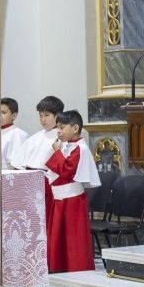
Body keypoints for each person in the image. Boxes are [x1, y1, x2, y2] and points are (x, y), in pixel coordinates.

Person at [41, 111, 100, 273]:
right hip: (59, 198)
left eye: (62, 127)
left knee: (73, 238)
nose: (58, 131)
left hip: (72, 200)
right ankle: (59, 268)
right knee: (59, 237)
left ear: (75, 128)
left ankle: (77, 269)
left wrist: (57, 153)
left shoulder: (81, 148)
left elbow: (68, 171)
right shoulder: (66, 146)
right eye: (57, 128)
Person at [18, 95, 65, 169]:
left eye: (46, 115)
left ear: (57, 115)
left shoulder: (63, 136)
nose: (43, 119)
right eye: (40, 115)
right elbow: (19, 163)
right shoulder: (35, 137)